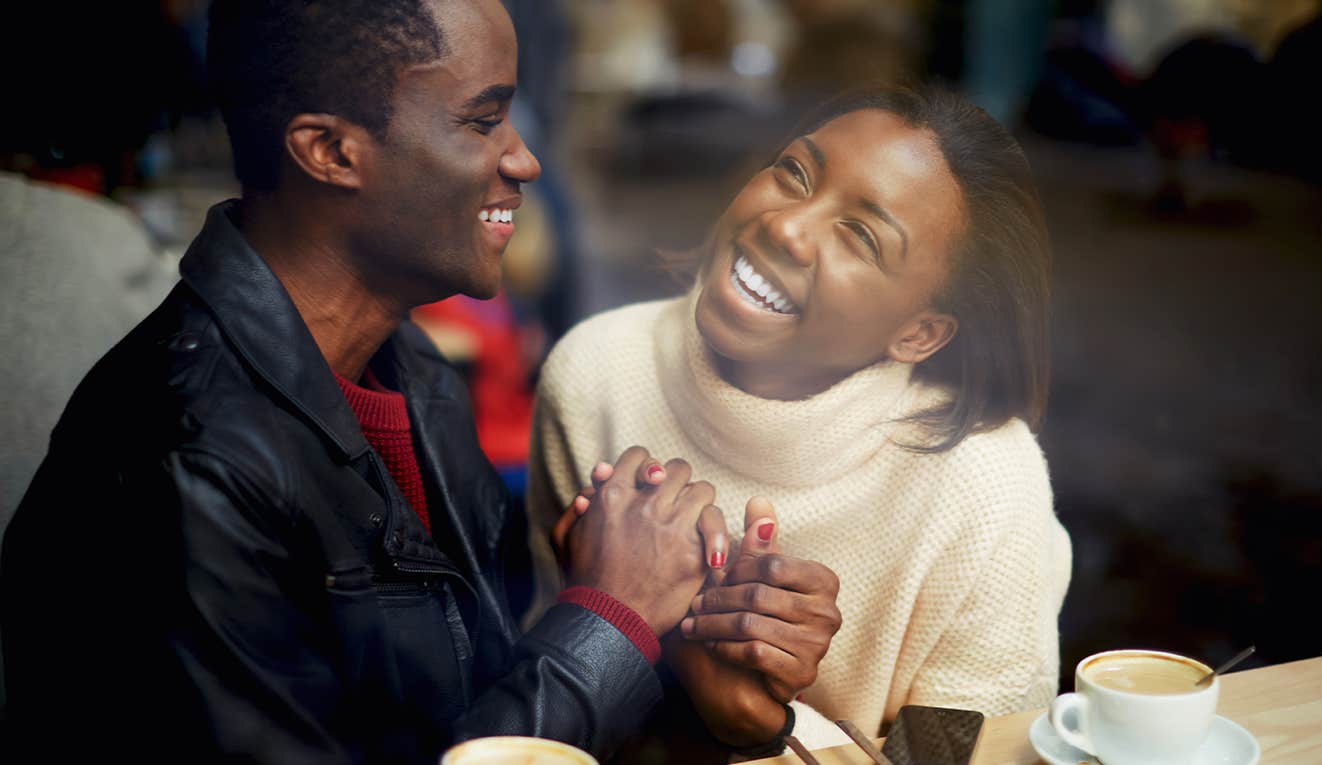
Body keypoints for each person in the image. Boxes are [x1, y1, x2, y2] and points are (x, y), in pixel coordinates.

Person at [0, 1, 827, 762]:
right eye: (483, 120)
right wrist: (605, 619)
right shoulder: (186, 463)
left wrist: (688, 677)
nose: (524, 158)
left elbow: (465, 714)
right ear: (329, 150)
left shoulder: (414, 374)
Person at [529, 85, 1073, 748]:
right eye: (794, 173)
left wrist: (765, 724)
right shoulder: (597, 372)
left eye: (862, 237)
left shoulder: (984, 485)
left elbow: (972, 756)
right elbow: (541, 713)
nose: (786, 225)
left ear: (921, 333)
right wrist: (642, 632)